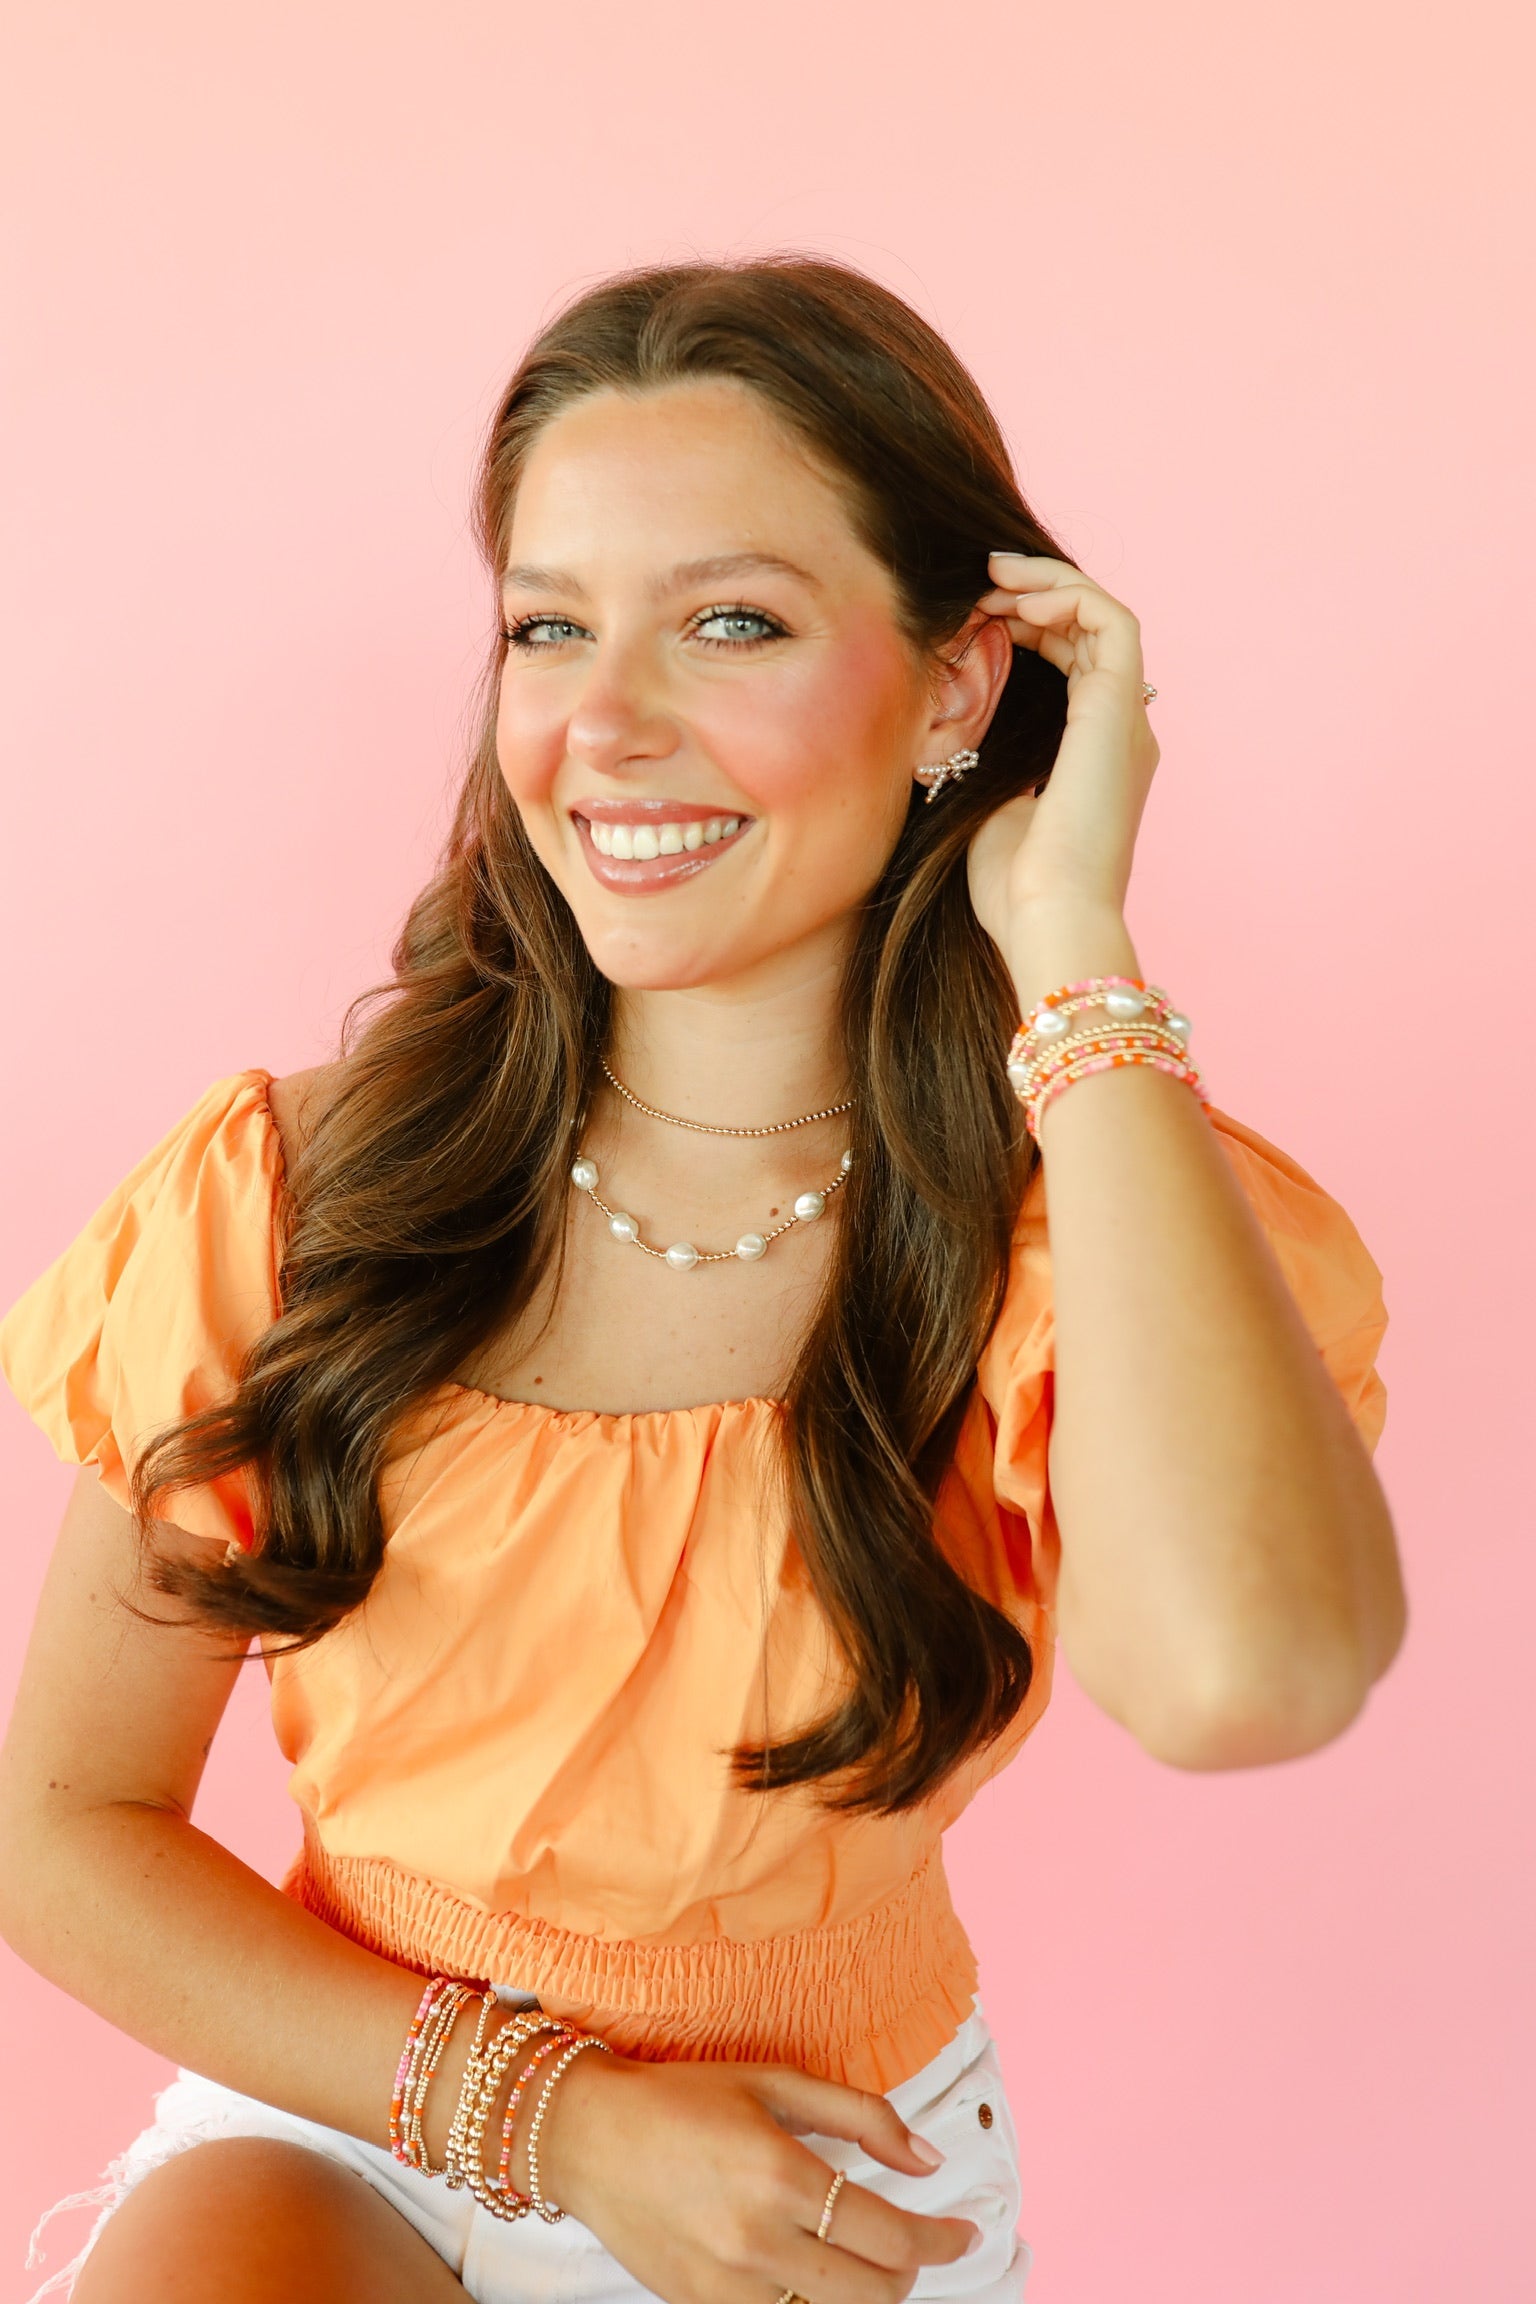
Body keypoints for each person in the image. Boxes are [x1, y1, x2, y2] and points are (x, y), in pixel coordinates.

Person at [0, 255, 1404, 2304]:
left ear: (956, 682)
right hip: (356, 2110)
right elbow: (63, 1819)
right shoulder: (294, 1192)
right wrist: (546, 2114)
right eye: (548, 627)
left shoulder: (1073, 1230)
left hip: (825, 2195)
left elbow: (1246, 1677)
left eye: (728, 621)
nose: (607, 724)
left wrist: (1075, 956)